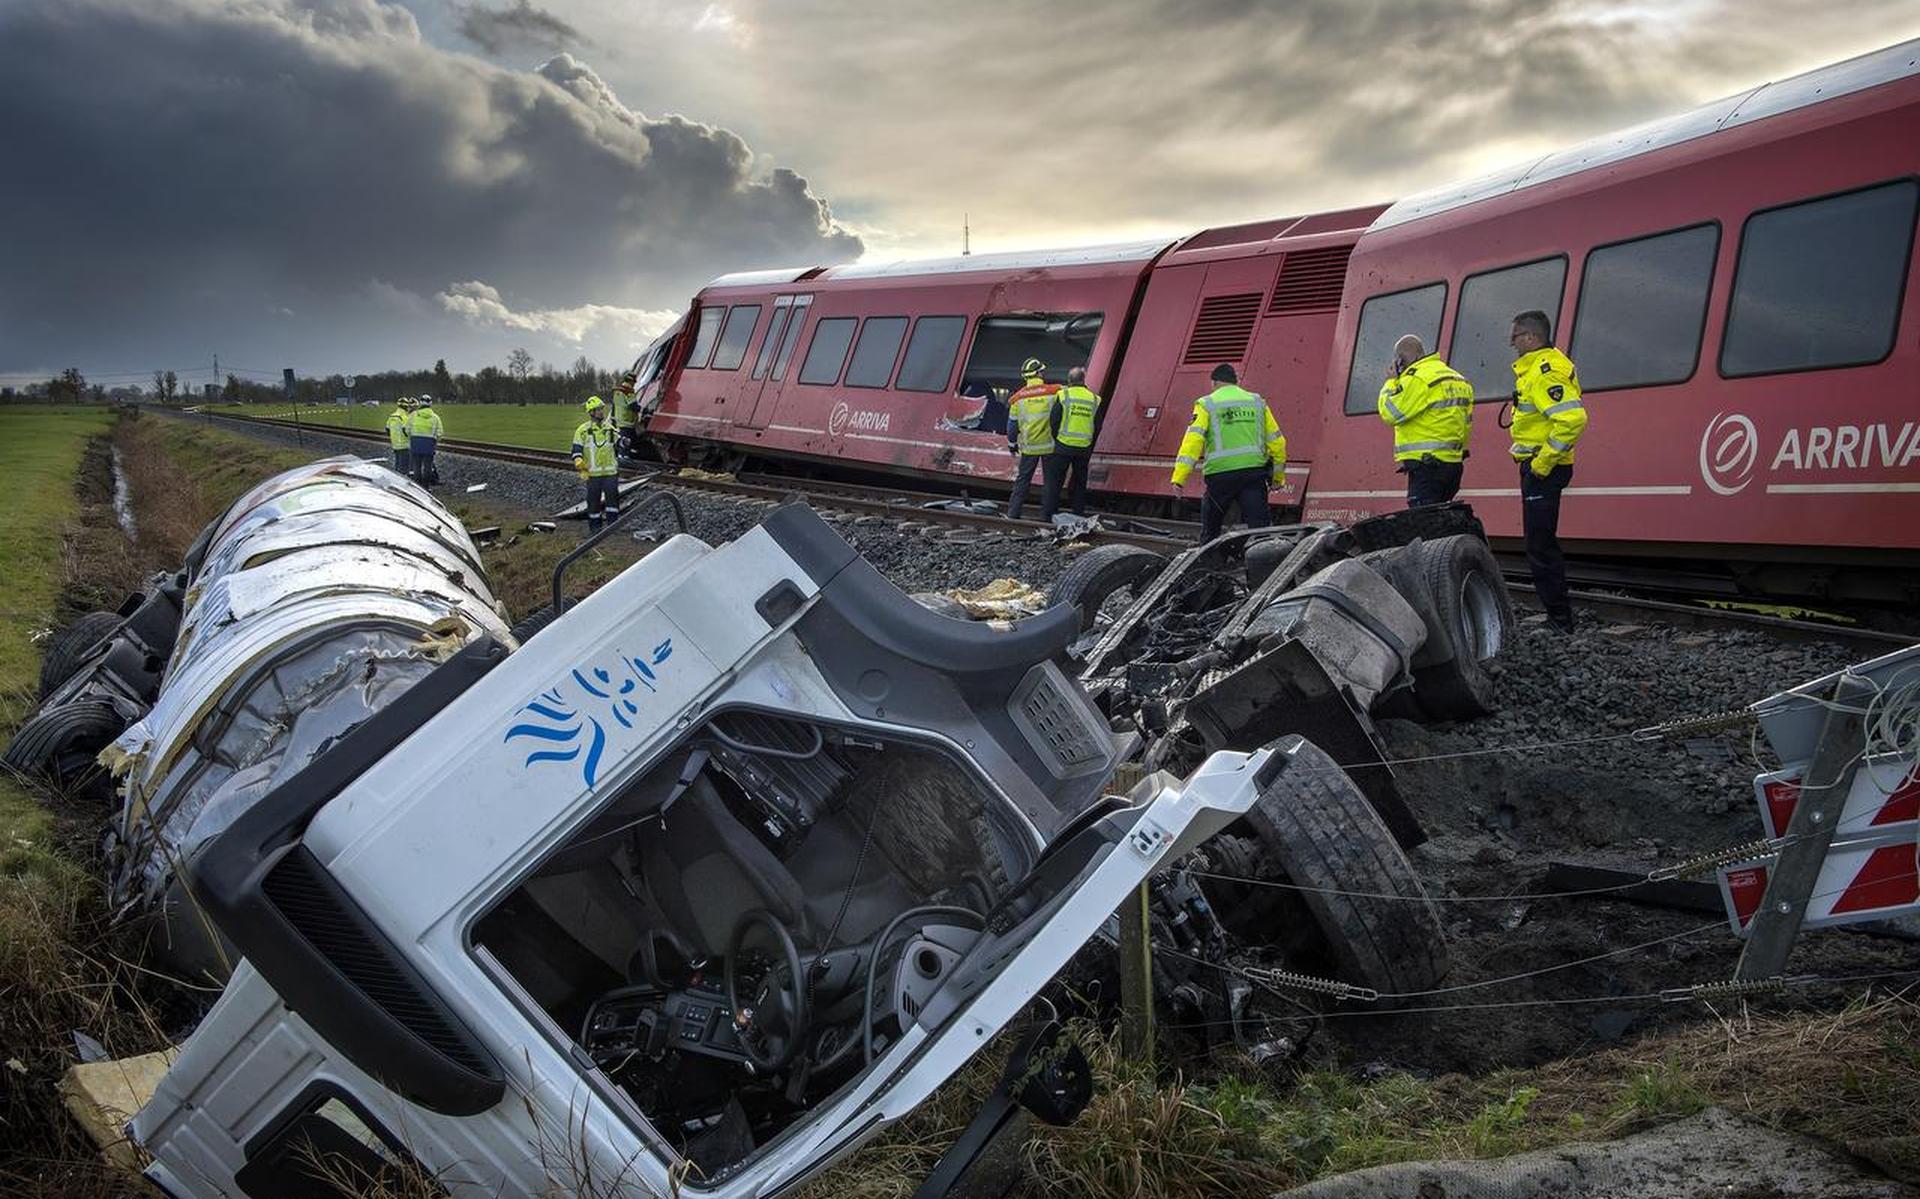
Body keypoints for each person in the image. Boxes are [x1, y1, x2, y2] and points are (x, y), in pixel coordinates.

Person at [1508, 309, 1588, 633]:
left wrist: (1541, 464)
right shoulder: (1539, 368)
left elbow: (1573, 419)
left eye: (1514, 337)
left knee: (1540, 545)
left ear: (1530, 337)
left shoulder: (1544, 371)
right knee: (1540, 542)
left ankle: (1560, 621)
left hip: (1543, 469)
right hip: (1541, 465)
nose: (1511, 344)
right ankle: (1558, 616)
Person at [1170, 364, 1286, 542]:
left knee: (1211, 529)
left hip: (1220, 476)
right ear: (1236, 382)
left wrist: (1179, 478)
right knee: (1260, 530)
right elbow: (1278, 443)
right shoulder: (1257, 402)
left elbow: (1192, 443)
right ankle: (1263, 563)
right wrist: (1277, 479)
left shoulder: (1206, 404)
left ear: (1214, 383)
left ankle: (1209, 557)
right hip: (1253, 475)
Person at [1377, 335, 1474, 506]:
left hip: (1427, 468)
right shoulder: (1457, 378)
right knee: (1441, 524)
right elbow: (1466, 422)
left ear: (1400, 360)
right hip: (1453, 466)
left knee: (1423, 524)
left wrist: (1390, 382)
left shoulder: (1417, 379)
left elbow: (1391, 413)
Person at [1004, 358, 1061, 520]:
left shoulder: (1017, 398)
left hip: (1030, 447)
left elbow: (1012, 426)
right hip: (1050, 446)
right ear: (1039, 374)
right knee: (1050, 483)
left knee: (1022, 481)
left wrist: (1012, 444)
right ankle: (1046, 516)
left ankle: (1013, 514)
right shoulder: (1054, 391)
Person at [1044, 366, 1104, 519]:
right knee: (1079, 483)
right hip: (1083, 448)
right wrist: (1090, 443)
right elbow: (1098, 424)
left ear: (1069, 380)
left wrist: (1057, 438)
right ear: (1084, 380)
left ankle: (1049, 514)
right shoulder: (1094, 399)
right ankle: (1077, 513)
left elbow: (1054, 420)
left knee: (1055, 482)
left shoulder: (1063, 395)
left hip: (1063, 446)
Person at [572, 395, 622, 533]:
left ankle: (613, 528)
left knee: (613, 502)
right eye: (598, 410)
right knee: (593, 503)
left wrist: (624, 442)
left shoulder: (610, 428)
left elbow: (619, 443)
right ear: (592, 412)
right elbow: (576, 449)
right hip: (593, 475)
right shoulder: (582, 430)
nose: (601, 412)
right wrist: (578, 461)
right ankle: (595, 529)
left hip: (610, 473)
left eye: (602, 409)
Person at [408, 394, 444, 486]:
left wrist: (412, 437)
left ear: (420, 403)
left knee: (417, 466)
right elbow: (440, 433)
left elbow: (407, 429)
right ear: (431, 403)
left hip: (415, 443)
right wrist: (434, 441)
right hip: (429, 444)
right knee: (428, 467)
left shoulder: (413, 415)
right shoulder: (436, 418)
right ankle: (426, 486)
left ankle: (418, 486)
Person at [385, 396, 414, 475]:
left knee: (397, 465)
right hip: (405, 446)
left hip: (395, 445)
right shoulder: (404, 417)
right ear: (406, 406)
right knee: (404, 469)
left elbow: (387, 430)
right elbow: (407, 431)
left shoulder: (391, 416)